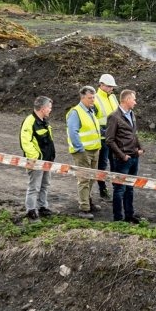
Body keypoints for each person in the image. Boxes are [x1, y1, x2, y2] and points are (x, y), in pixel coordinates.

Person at [105, 89, 145, 223]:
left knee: (130, 188)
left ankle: (129, 215)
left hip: (134, 157)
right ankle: (118, 219)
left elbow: (134, 134)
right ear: (126, 100)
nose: (135, 102)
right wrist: (122, 156)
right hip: (123, 160)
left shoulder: (131, 114)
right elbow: (109, 140)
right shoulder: (114, 117)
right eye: (133, 99)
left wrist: (140, 148)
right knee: (119, 189)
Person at [66, 86, 102, 219]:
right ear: (82, 98)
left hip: (93, 150)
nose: (92, 100)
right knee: (84, 180)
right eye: (90, 98)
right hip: (83, 152)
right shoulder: (76, 112)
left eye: (94, 97)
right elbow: (73, 132)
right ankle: (84, 208)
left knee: (91, 178)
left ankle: (88, 201)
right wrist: (80, 149)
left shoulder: (90, 111)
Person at [20, 96, 56, 221]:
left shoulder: (44, 121)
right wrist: (36, 158)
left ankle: (42, 207)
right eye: (49, 108)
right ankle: (31, 210)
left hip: (47, 161)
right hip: (36, 162)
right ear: (43, 108)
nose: (50, 110)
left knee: (45, 185)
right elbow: (25, 142)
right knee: (34, 187)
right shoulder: (30, 121)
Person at [92, 73, 120, 201]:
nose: (111, 89)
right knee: (102, 165)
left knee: (115, 164)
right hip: (103, 138)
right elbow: (92, 120)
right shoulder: (95, 99)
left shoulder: (113, 97)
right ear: (101, 85)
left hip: (114, 137)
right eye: (109, 86)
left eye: (112, 87)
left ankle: (117, 190)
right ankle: (102, 189)